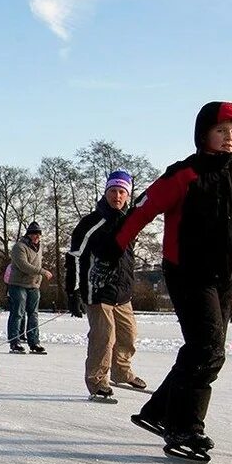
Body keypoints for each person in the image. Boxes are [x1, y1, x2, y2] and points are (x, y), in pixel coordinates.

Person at [100, 101, 232, 457]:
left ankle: (158, 412)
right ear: (205, 134)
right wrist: (112, 250)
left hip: (227, 276)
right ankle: (184, 428)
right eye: (222, 131)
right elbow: (142, 210)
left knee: (203, 349)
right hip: (188, 272)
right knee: (208, 349)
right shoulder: (185, 174)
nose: (229, 138)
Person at [66, 170, 147, 400]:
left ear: (127, 196)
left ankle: (121, 372)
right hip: (97, 290)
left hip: (122, 291)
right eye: (113, 191)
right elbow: (73, 257)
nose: (117, 196)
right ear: (106, 192)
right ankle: (97, 381)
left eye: (122, 192)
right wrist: (73, 292)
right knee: (104, 336)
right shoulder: (91, 223)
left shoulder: (130, 221)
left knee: (128, 335)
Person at [7, 221, 52, 354]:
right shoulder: (19, 247)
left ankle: (34, 342)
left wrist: (39, 278)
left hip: (33, 285)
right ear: (28, 235)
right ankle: (15, 342)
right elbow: (23, 265)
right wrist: (42, 272)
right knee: (18, 313)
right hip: (18, 284)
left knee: (34, 315)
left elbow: (37, 263)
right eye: (34, 234)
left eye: (38, 234)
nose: (36, 237)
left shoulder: (39, 247)